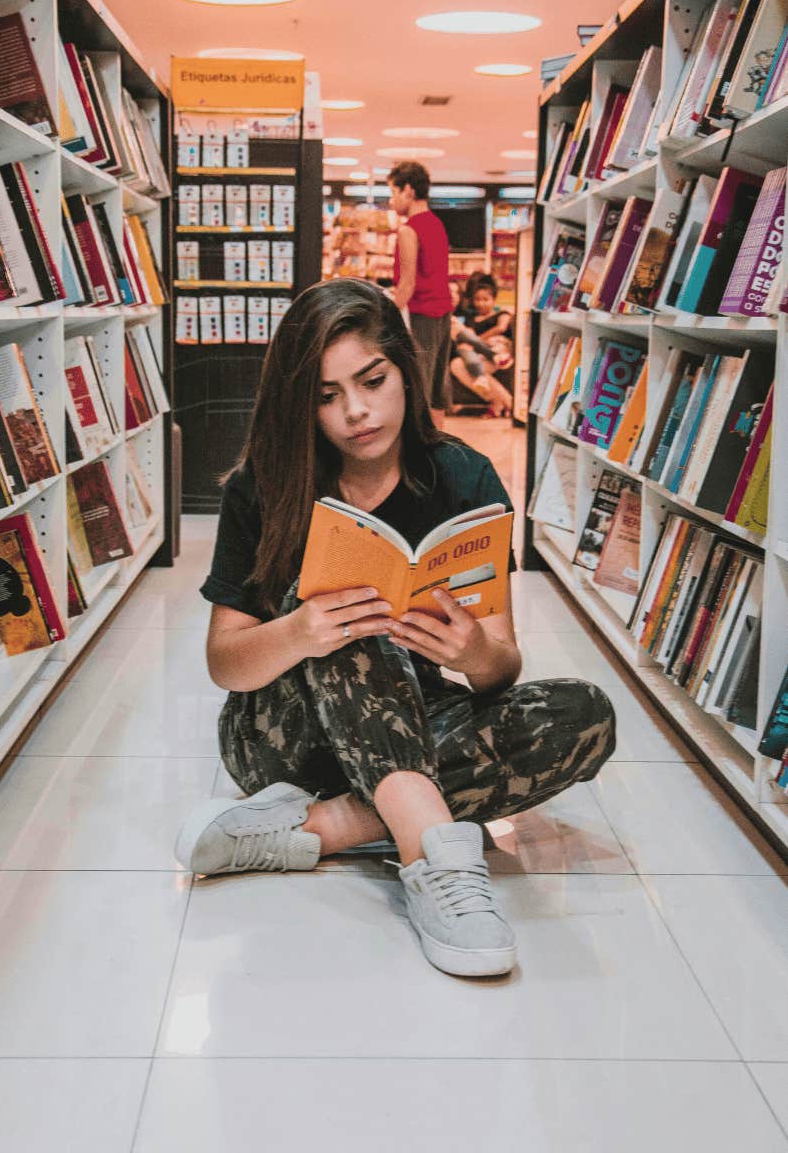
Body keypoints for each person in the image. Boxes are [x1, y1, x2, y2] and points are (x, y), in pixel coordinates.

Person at [175, 278, 616, 979]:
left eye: (372, 380)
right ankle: (436, 860)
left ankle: (320, 829)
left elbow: (501, 668)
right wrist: (301, 631)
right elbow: (226, 664)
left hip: (408, 718)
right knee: (352, 605)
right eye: (326, 395)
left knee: (584, 715)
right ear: (301, 403)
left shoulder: (465, 478)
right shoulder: (260, 486)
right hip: (280, 742)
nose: (356, 410)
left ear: (404, 371)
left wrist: (472, 652)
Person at [387, 160, 452, 427]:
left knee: (418, 390)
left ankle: (419, 455)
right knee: (437, 391)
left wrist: (386, 320)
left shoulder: (408, 229)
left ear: (409, 191)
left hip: (421, 316)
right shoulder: (437, 224)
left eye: (393, 192)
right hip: (443, 314)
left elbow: (407, 284)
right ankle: (438, 452)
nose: (391, 201)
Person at [450, 275, 514, 417]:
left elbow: (501, 328)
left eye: (485, 299)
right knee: (457, 364)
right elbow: (468, 336)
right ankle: (500, 401)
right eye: (478, 300)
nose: (481, 304)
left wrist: (478, 340)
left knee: (460, 366)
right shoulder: (471, 319)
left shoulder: (503, 313)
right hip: (477, 355)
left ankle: (507, 403)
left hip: (497, 354)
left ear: (493, 299)